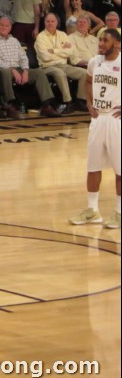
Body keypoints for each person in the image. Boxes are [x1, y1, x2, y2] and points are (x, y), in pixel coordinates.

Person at [69, 29, 121, 229]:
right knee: (93, 166)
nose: (101, 43)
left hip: (116, 120)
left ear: (116, 44)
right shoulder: (94, 62)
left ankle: (119, 212)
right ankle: (93, 210)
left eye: (105, 40)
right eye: (100, 39)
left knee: (120, 170)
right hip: (98, 119)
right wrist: (89, 102)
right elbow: (88, 80)